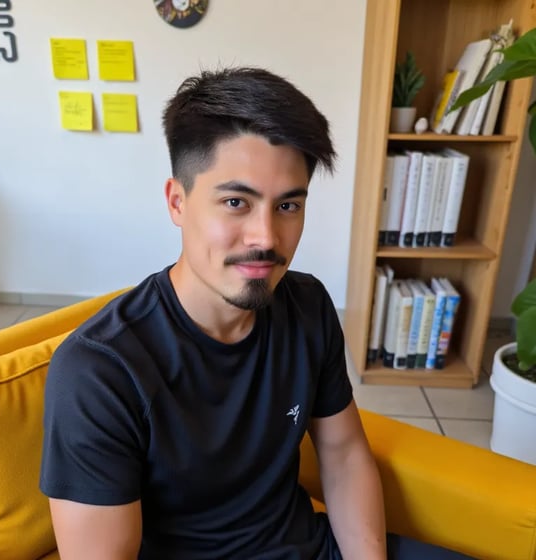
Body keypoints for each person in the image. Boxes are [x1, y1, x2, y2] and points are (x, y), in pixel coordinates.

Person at [40, 67, 474, 560]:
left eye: (288, 206)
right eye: (235, 202)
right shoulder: (99, 370)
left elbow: (343, 452)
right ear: (178, 202)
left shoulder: (307, 306)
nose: (266, 237)